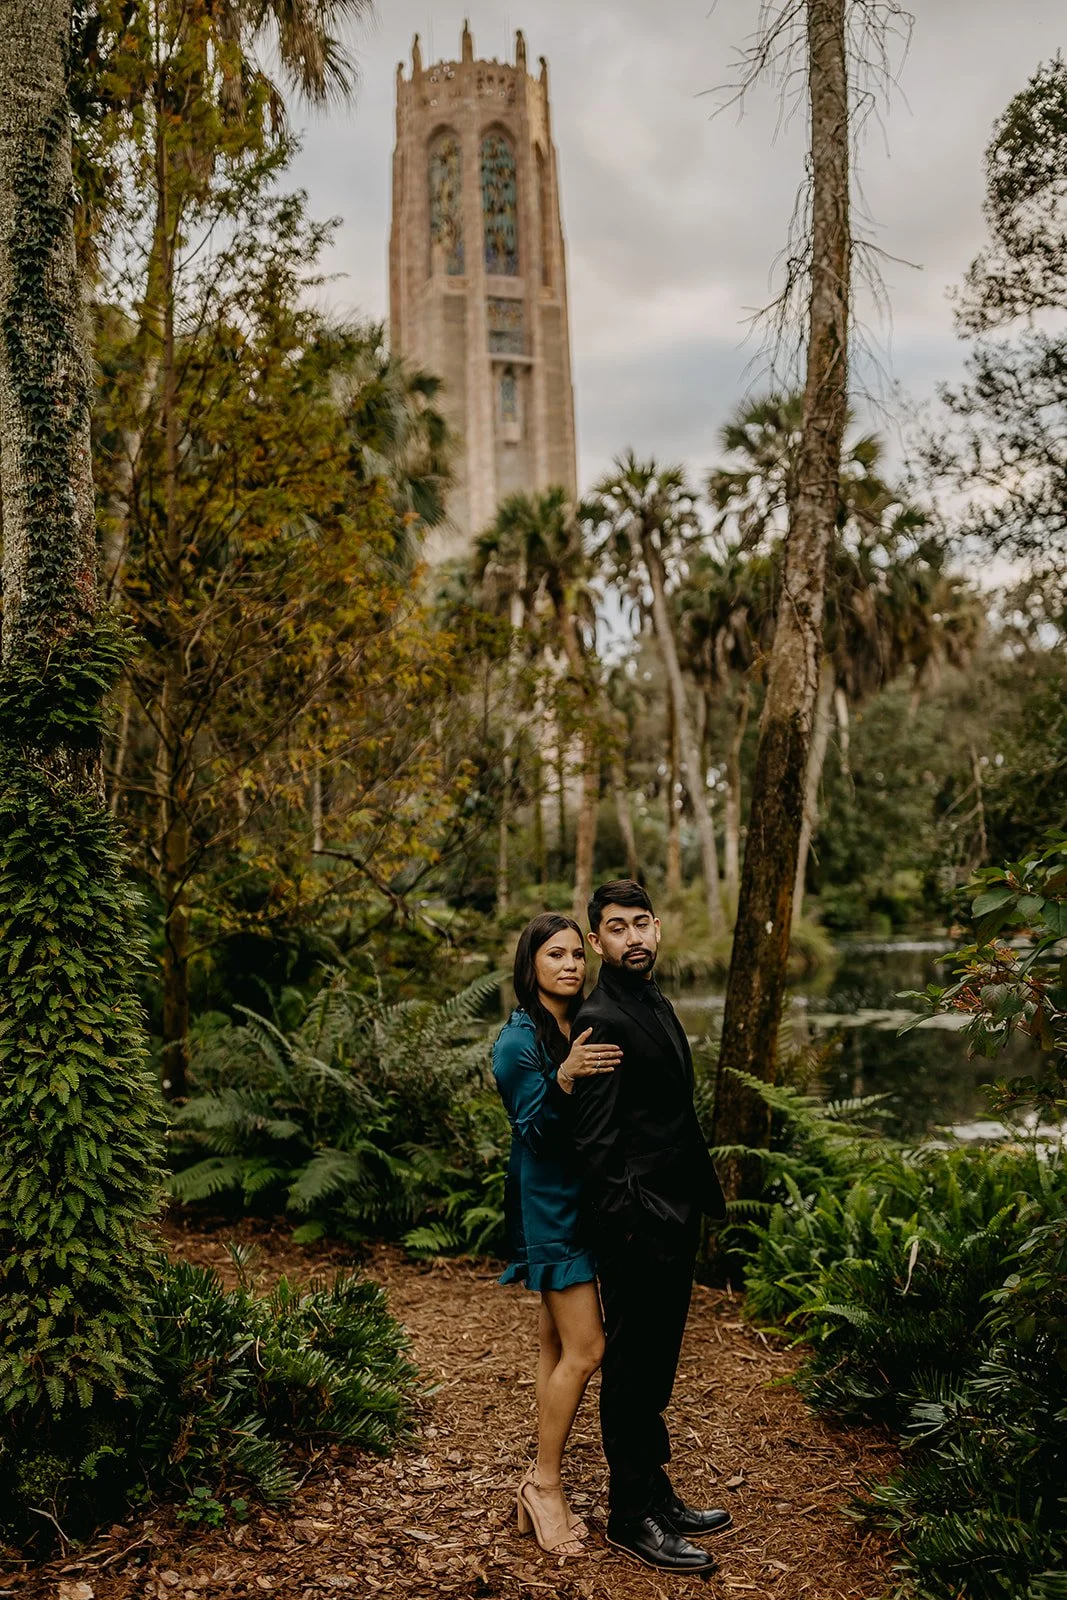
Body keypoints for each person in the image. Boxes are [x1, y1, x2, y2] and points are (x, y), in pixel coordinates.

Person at [570, 880, 730, 1576]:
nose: (632, 937)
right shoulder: (602, 1016)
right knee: (633, 1370)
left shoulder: (651, 998)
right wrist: (629, 1227)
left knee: (656, 1368)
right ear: (597, 941)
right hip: (638, 1225)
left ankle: (655, 1490)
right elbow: (597, 1142)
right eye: (616, 928)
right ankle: (629, 1513)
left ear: (657, 929)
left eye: (641, 924)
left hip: (674, 1211)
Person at [492, 913, 624, 1559]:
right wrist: (566, 1075)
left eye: (576, 953)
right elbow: (536, 1133)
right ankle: (544, 1485)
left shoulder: (578, 1023)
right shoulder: (516, 1043)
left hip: (587, 1203)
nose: (570, 964)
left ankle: (536, 1483)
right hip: (549, 1211)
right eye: (554, 955)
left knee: (554, 1346)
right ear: (530, 966)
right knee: (587, 1348)